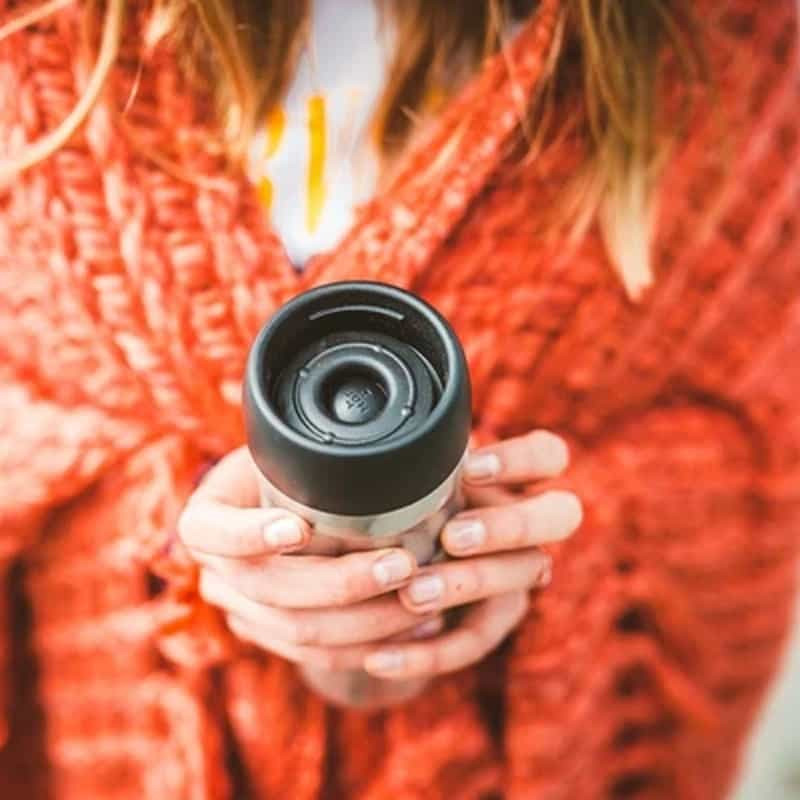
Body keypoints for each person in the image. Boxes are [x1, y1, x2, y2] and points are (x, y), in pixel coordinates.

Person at [0, 0, 797, 798]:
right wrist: (184, 541)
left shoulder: (728, 38)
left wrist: (544, 534)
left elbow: (760, 451)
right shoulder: (34, 34)